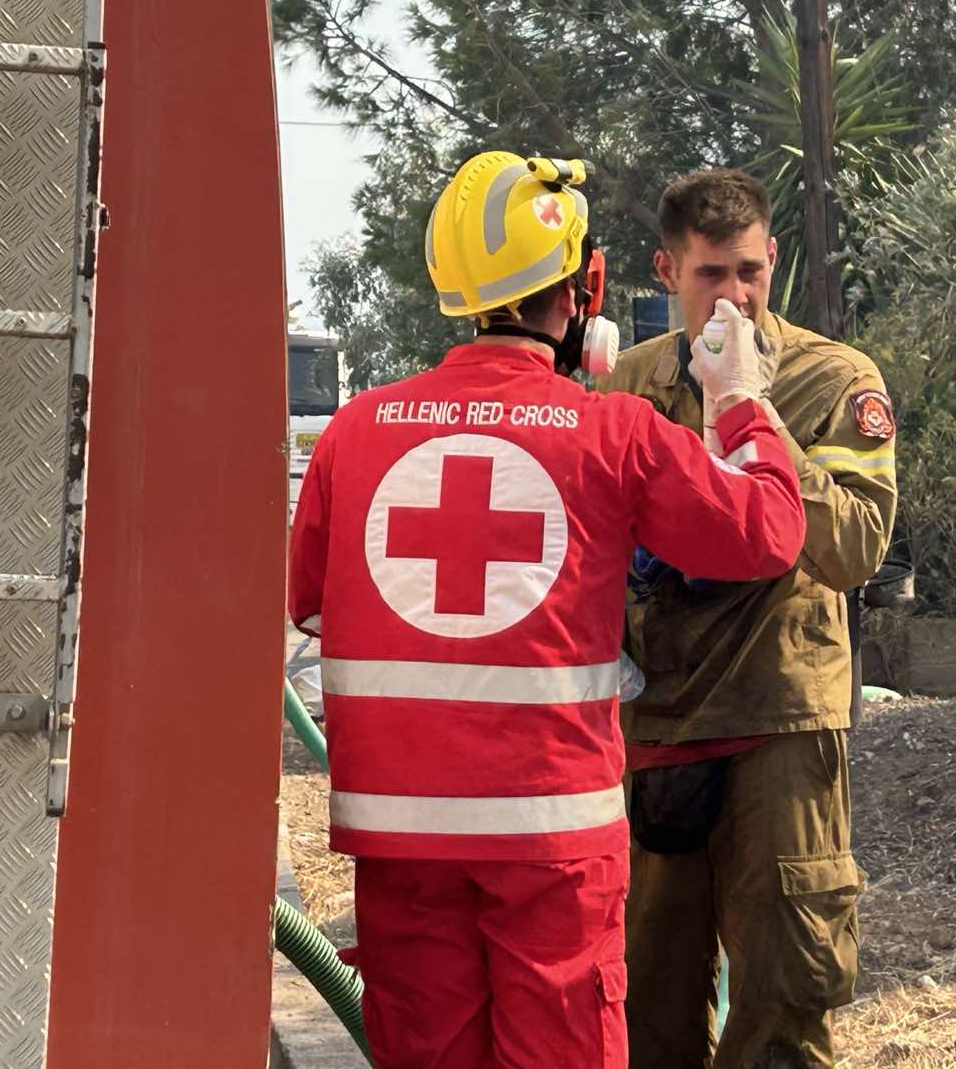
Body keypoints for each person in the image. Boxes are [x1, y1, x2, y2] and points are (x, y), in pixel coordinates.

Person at [287, 151, 808, 1069]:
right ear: (585, 290)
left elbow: (309, 603)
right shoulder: (614, 431)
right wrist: (739, 401)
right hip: (549, 837)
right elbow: (766, 531)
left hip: (398, 835)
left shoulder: (352, 432)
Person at [600, 167, 898, 1068]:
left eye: (750, 274)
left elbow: (855, 549)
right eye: (709, 276)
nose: (733, 296)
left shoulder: (833, 378)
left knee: (782, 1006)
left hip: (780, 726)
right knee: (642, 1009)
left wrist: (751, 411)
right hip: (655, 730)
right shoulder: (628, 387)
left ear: (774, 263)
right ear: (665, 271)